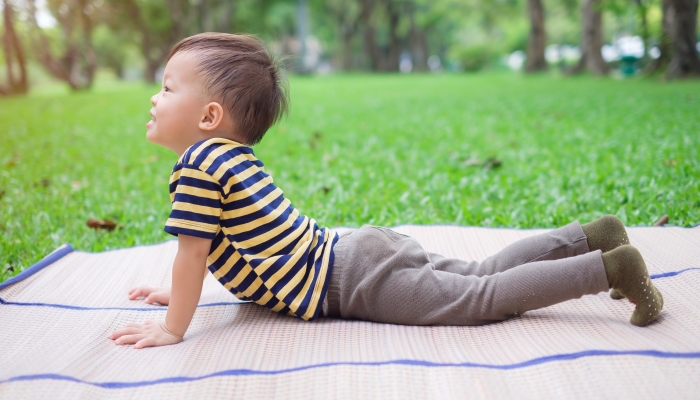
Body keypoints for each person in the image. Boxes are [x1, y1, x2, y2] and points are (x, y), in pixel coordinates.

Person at [110, 33, 663, 349]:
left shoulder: (200, 165)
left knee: (480, 300)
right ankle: (593, 235)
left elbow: (193, 251)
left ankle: (610, 270)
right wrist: (178, 293)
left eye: (166, 87)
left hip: (347, 280)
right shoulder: (229, 157)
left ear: (209, 115)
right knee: (480, 272)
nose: (154, 98)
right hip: (354, 252)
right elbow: (219, 246)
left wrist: (172, 326)